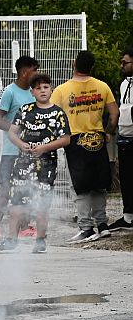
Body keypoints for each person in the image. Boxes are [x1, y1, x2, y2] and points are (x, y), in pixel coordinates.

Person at [0, 73, 71, 254]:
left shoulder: (58, 113)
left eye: (46, 87)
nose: (42, 91)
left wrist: (45, 147)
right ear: (32, 92)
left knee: (42, 203)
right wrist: (21, 144)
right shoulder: (25, 110)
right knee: (17, 201)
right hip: (23, 163)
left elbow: (66, 139)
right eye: (38, 88)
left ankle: (40, 240)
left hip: (46, 165)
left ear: (51, 89)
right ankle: (11, 240)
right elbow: (12, 132)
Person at [50, 50, 119, 243]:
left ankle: (86, 228)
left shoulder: (62, 90)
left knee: (80, 187)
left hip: (75, 141)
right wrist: (108, 131)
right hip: (97, 138)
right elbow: (114, 114)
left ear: (74, 64)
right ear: (92, 67)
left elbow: (53, 115)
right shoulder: (102, 86)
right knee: (99, 185)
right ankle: (103, 225)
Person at [0, 56, 40, 242]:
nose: (38, 74)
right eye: (35, 70)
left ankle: (24, 227)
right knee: (6, 189)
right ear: (25, 72)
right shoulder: (9, 92)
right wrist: (15, 130)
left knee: (26, 189)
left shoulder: (34, 93)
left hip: (30, 152)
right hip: (11, 151)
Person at [108, 48, 133, 232]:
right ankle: (128, 217)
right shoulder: (124, 84)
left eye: (125, 63)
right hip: (125, 137)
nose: (121, 66)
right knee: (126, 177)